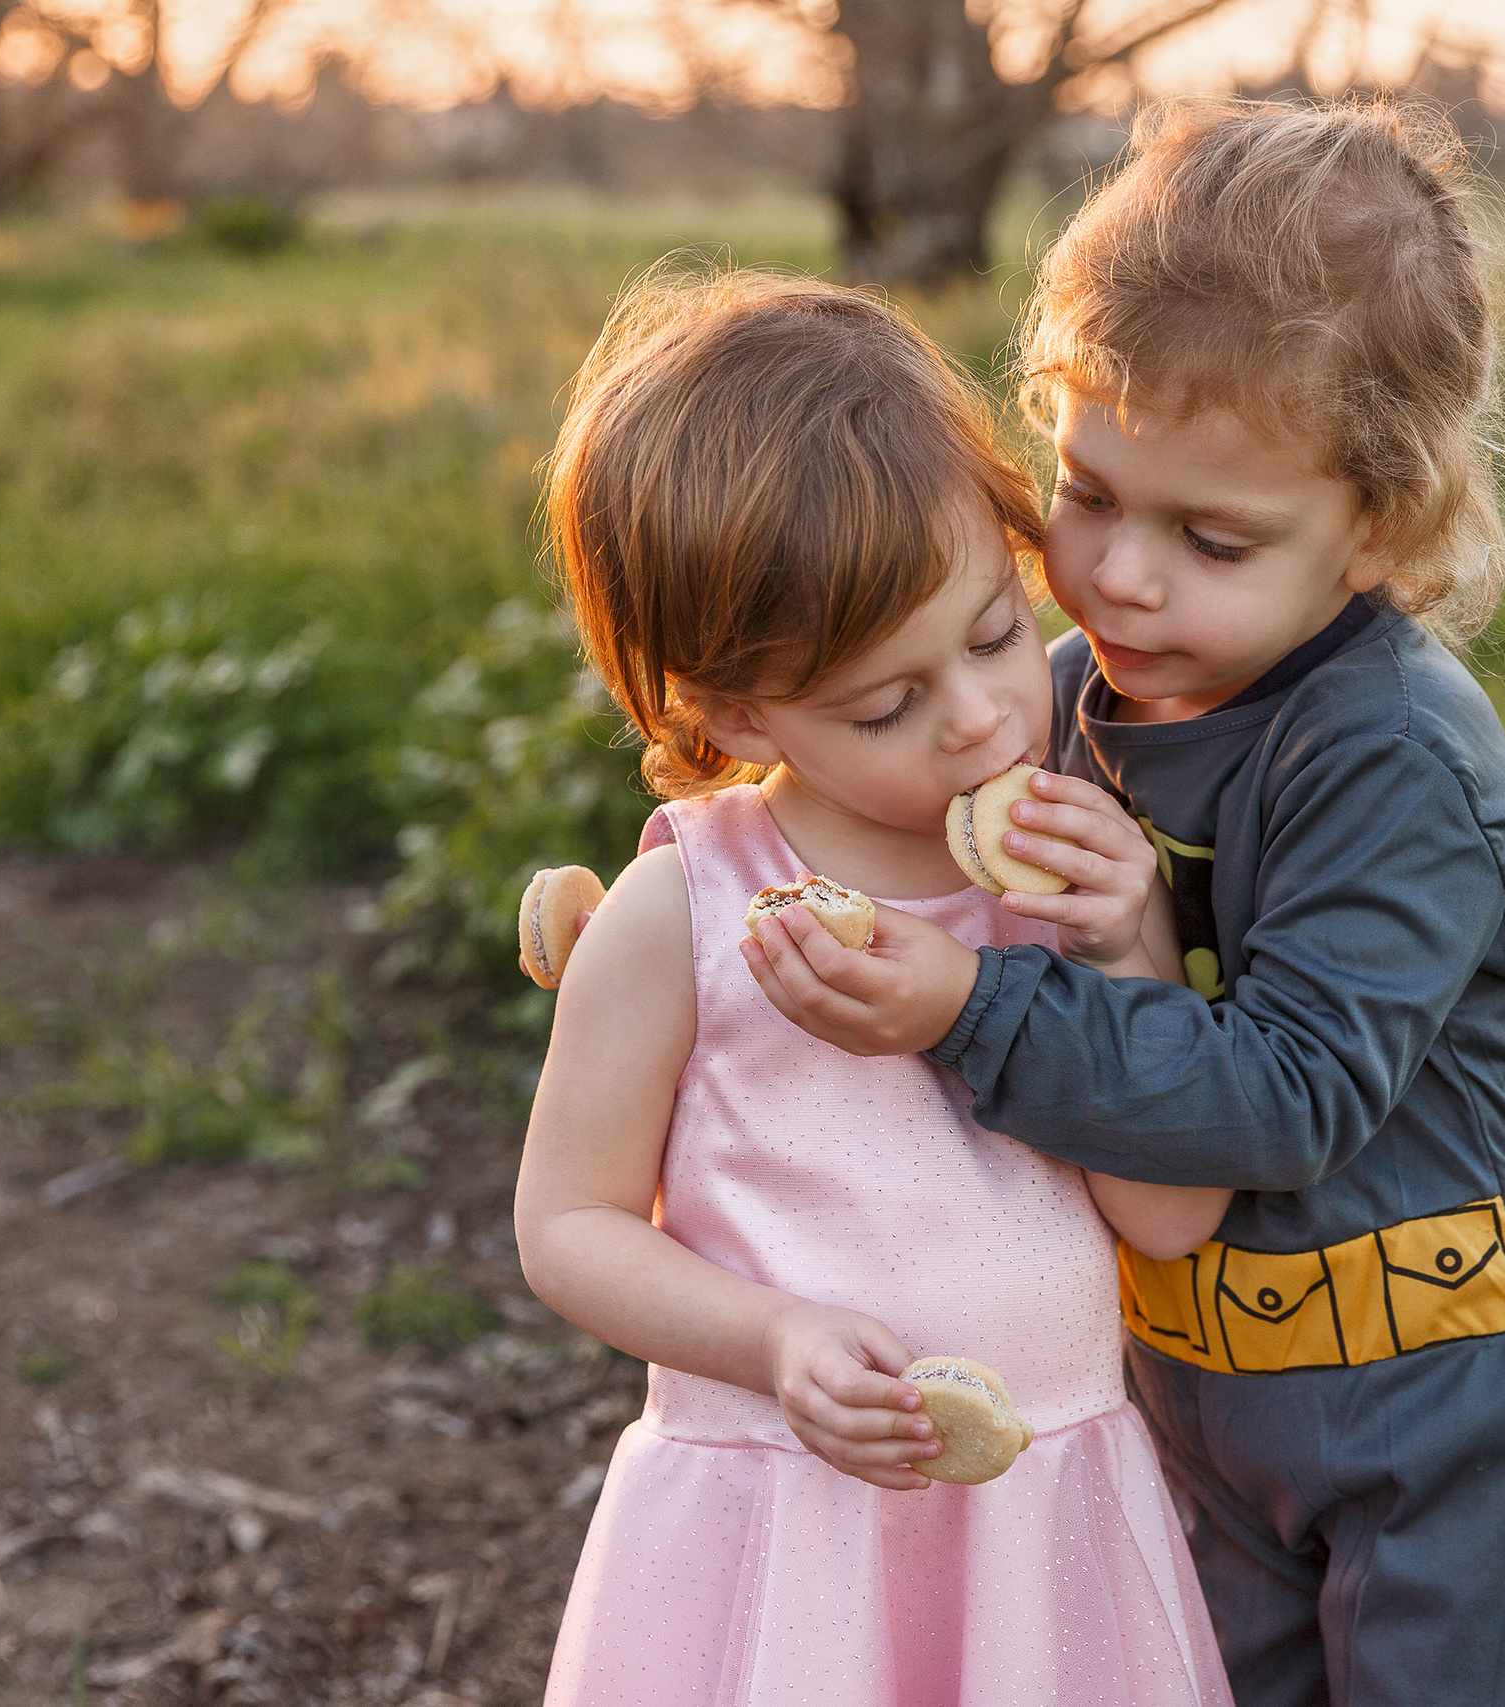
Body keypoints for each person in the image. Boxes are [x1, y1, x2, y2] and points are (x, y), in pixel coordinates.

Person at [743, 99, 1505, 1706]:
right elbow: (866, 823)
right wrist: (694, 913)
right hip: (1189, 1391)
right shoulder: (1066, 702)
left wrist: (974, 1010)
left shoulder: (1390, 760)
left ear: (1383, 527)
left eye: (1212, 538)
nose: (1125, 579)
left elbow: (1289, 1095)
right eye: (1089, 494)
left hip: (1448, 1407)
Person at [514, 262, 1234, 1707]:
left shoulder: (1064, 876)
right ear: (726, 708)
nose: (977, 722)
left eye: (990, 634)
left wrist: (1124, 938)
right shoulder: (688, 910)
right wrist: (770, 1341)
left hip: (1048, 1519)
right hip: (786, 1530)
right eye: (886, 705)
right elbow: (568, 1224)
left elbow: (1174, 1210)